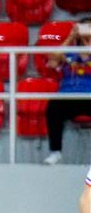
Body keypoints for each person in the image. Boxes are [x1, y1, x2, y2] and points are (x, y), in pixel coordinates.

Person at [41, 19, 91, 165]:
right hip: (68, 95)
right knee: (53, 107)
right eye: (84, 27)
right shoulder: (69, 51)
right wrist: (70, 37)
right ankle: (56, 152)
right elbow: (52, 60)